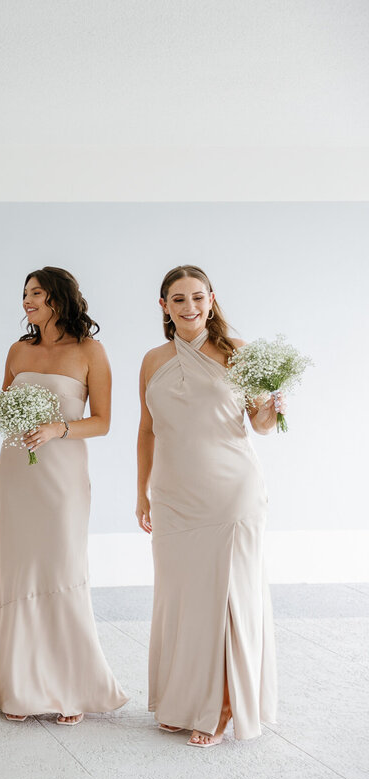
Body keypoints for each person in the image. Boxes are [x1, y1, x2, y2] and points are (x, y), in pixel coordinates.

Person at [137, 265, 280, 747]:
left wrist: (269, 409)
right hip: (175, 495)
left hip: (230, 491)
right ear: (164, 306)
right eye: (178, 299)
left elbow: (259, 425)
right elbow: (147, 431)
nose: (190, 307)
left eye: (198, 297)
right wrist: (143, 491)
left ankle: (221, 705)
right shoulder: (153, 359)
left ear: (212, 299)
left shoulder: (238, 353)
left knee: (224, 597)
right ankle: (183, 697)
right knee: (182, 598)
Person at [0, 267, 127, 725]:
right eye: (24, 294)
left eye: (36, 293)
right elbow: (8, 419)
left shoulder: (89, 351)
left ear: (58, 298)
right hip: (16, 475)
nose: (27, 301)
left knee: (60, 566)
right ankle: (20, 687)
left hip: (61, 477)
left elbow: (102, 421)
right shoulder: (17, 350)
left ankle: (70, 687)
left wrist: (58, 428)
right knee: (20, 568)